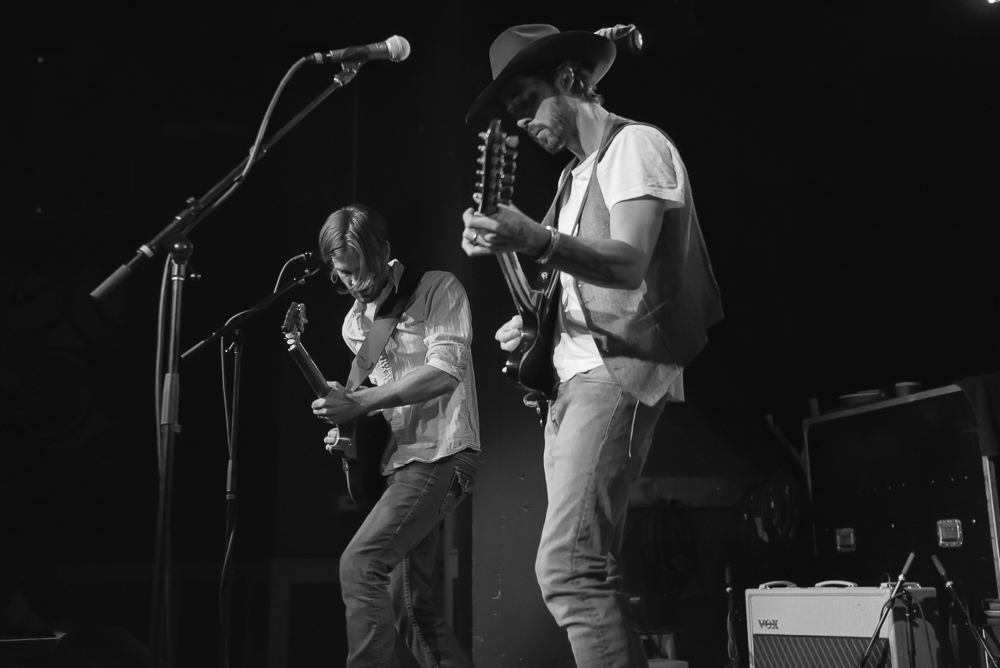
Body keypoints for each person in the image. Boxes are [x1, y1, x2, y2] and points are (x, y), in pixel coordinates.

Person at [462, 24, 723, 668]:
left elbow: (630, 262)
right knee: (583, 569)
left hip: (619, 368)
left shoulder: (634, 146)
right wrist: (530, 328)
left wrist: (536, 240)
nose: (521, 122)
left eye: (526, 102)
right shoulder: (574, 181)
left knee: (570, 570)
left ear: (573, 81)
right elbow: (572, 288)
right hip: (574, 376)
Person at [312, 204, 479, 668]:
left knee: (359, 564)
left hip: (443, 456)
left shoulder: (438, 288)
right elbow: (385, 403)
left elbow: (445, 374)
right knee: (408, 606)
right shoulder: (353, 325)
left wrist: (360, 401)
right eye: (342, 274)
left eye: (360, 271)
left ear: (384, 251)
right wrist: (348, 430)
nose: (353, 284)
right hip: (400, 465)